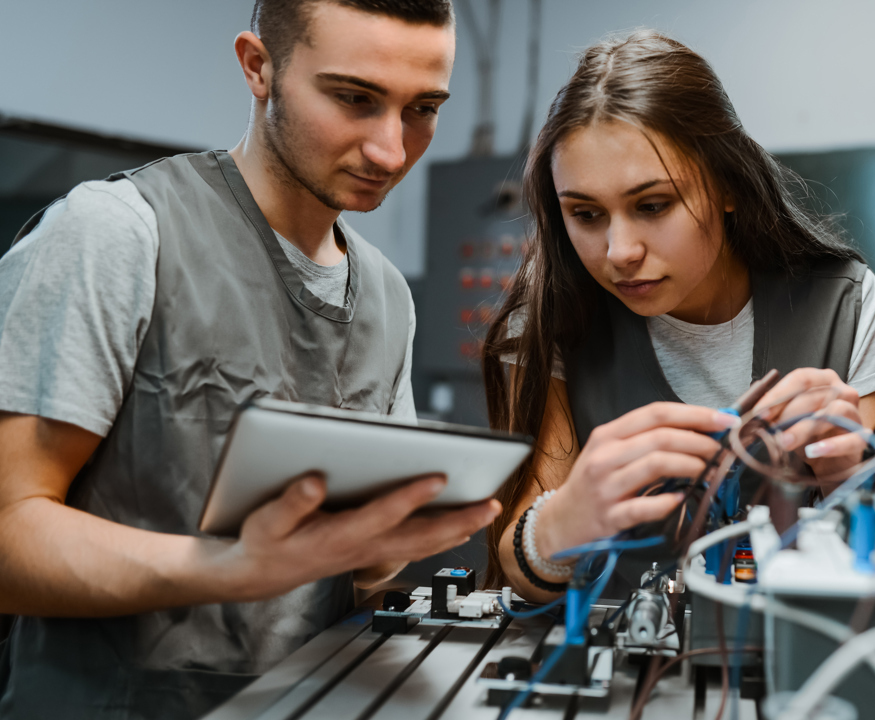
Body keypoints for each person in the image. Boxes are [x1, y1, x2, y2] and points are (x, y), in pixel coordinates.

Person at [0, 1, 501, 717]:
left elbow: (363, 571)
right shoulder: (116, 234)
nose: (392, 150)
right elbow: (9, 532)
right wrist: (229, 567)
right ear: (258, 66)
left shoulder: (387, 293)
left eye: (422, 108)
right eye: (354, 98)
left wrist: (408, 527)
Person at [481, 31, 875, 601]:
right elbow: (520, 571)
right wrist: (561, 522)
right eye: (585, 214)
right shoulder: (553, 311)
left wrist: (849, 471)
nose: (618, 251)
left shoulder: (843, 303)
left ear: (728, 184)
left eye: (653, 205)